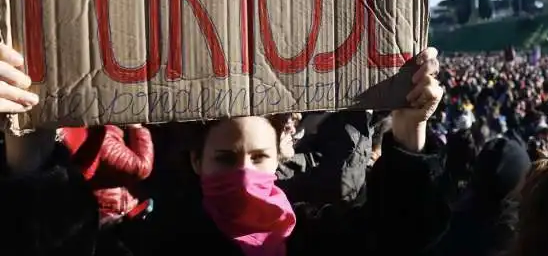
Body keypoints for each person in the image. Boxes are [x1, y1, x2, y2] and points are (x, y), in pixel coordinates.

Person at [141, 47, 447, 256]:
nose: (244, 175)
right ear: (197, 160)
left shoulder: (310, 238)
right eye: (226, 159)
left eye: (259, 157)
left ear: (278, 158)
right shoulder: (157, 242)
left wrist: (410, 129)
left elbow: (397, 235)